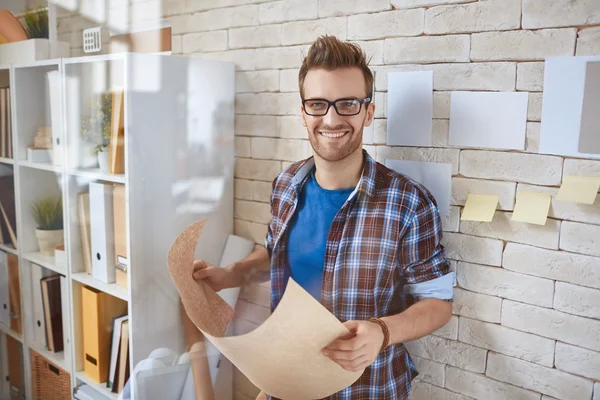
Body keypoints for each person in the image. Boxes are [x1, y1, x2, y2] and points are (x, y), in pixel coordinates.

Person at [192, 35, 455, 400]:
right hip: (285, 381)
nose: (331, 119)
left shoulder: (409, 203)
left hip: (368, 389)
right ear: (303, 112)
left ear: (368, 111)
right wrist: (229, 275)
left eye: (347, 103)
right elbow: (277, 254)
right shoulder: (285, 185)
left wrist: (383, 331)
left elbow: (439, 304)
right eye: (318, 104)